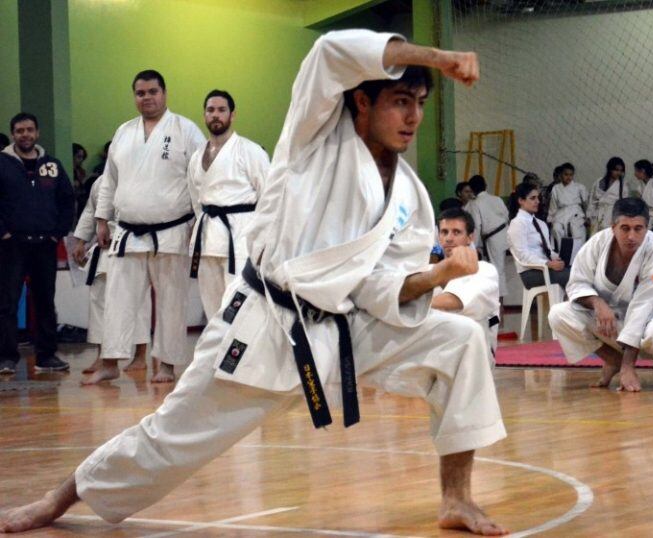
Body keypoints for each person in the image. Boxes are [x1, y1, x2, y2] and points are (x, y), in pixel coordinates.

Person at [0, 30, 507, 536]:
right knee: (171, 435)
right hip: (267, 324)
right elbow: (331, 51)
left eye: (419, 103)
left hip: (342, 328)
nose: (414, 116)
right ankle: (56, 500)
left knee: (459, 339)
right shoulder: (315, 137)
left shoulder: (410, 198)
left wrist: (439, 274)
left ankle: (456, 497)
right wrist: (439, 58)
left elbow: (382, 287)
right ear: (360, 100)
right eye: (400, 101)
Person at [83, 70, 206, 385]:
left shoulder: (185, 130)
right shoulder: (124, 132)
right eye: (140, 93)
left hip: (173, 231)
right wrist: (101, 219)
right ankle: (110, 361)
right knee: (118, 300)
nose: (147, 97)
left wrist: (199, 222)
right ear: (134, 96)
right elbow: (109, 180)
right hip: (127, 231)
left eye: (153, 91)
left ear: (164, 93)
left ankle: (166, 364)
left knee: (171, 302)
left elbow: (201, 179)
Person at [548, 198, 653, 391]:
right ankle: (613, 360)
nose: (631, 236)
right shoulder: (597, 243)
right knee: (559, 314)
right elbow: (577, 283)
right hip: (612, 318)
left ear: (647, 227)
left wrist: (630, 366)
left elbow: (643, 307)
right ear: (613, 227)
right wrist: (597, 303)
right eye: (625, 228)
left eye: (638, 229)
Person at [0, 112, 74, 375]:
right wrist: (3, 233)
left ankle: (47, 356)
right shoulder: (2, 163)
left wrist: (57, 233)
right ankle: (6, 358)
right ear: (13, 135)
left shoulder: (52, 165)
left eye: (30, 130)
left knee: (45, 301)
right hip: (12, 246)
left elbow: (67, 200)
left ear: (37, 133)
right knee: (7, 302)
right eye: (20, 131)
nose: (25, 135)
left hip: (45, 244)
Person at [188, 89, 270, 319]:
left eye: (221, 110)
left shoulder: (250, 151)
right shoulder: (196, 156)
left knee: (240, 307)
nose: (215, 115)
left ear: (232, 115)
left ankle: (244, 355)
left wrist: (263, 242)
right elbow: (196, 199)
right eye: (210, 110)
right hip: (207, 239)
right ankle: (215, 354)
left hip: (240, 238)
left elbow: (270, 198)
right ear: (204, 115)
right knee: (212, 307)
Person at [72, 175, 151, 373]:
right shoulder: (100, 182)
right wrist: (81, 241)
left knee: (138, 303)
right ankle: (102, 356)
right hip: (104, 249)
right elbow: (91, 210)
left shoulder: (143, 177)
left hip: (134, 246)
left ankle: (140, 356)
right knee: (98, 301)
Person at [433, 208, 500, 365]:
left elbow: (454, 301)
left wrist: (415, 306)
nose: (449, 238)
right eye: (444, 232)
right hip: (438, 351)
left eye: (456, 232)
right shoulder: (430, 271)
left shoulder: (485, 270)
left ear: (470, 237)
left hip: (475, 356)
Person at [507, 182, 569, 290]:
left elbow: (548, 251)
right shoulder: (517, 224)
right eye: (532, 198)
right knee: (571, 277)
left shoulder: (541, 224)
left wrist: (557, 258)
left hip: (546, 268)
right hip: (530, 272)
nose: (537, 201)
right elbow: (523, 255)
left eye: (538, 198)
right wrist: (548, 263)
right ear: (521, 201)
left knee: (579, 272)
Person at [465, 174, 509, 299]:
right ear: (485, 186)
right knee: (499, 267)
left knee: (497, 268)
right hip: (504, 233)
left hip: (492, 237)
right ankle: (498, 299)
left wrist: (474, 245)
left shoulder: (475, 203)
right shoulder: (497, 199)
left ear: (472, 190)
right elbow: (506, 216)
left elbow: (477, 226)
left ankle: (498, 299)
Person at [547, 162, 588, 261]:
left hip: (575, 211)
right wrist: (551, 218)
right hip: (561, 213)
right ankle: (564, 254)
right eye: (566, 174)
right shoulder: (556, 188)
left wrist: (588, 216)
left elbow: (586, 203)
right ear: (561, 175)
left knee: (576, 231)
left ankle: (579, 256)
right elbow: (553, 205)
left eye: (571, 175)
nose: (568, 177)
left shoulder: (579, 187)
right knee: (556, 228)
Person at [588, 156, 640, 232]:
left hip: (613, 216)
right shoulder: (598, 182)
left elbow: (625, 204)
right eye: (616, 170)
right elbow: (592, 201)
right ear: (610, 169)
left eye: (621, 170)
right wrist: (589, 216)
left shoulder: (624, 185)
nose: (619, 173)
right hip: (597, 216)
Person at [635, 159, 653, 229]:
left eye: (636, 171)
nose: (635, 174)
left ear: (643, 171)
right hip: (645, 212)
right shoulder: (640, 186)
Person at [72, 142, 89, 219]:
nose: (81, 160)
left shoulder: (81, 171)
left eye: (82, 157)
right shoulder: (67, 170)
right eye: (78, 157)